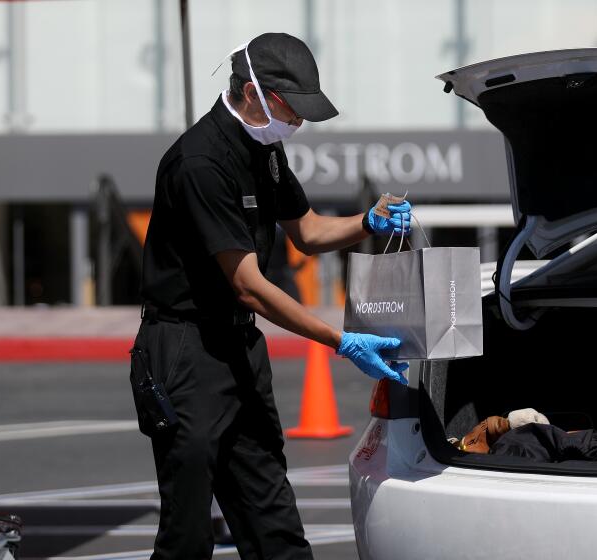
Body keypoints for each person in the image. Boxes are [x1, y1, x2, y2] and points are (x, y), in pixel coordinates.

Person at [133, 32, 411, 560]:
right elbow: (249, 286)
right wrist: (339, 339)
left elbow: (305, 231)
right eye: (295, 109)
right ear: (255, 93)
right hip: (185, 352)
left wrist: (368, 221)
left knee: (274, 526)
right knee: (187, 538)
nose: (300, 122)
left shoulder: (265, 149)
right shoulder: (199, 162)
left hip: (238, 349)